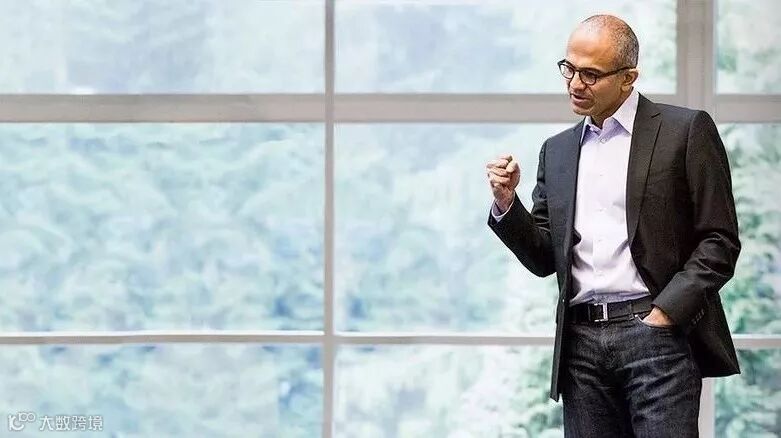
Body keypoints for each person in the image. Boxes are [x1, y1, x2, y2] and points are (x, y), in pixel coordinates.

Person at [486, 14, 741, 437]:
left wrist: (667, 313)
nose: (575, 84)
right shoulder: (557, 150)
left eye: (590, 74)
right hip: (581, 346)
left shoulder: (685, 131)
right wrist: (506, 203)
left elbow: (720, 239)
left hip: (656, 338)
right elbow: (544, 257)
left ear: (628, 78)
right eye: (569, 69)